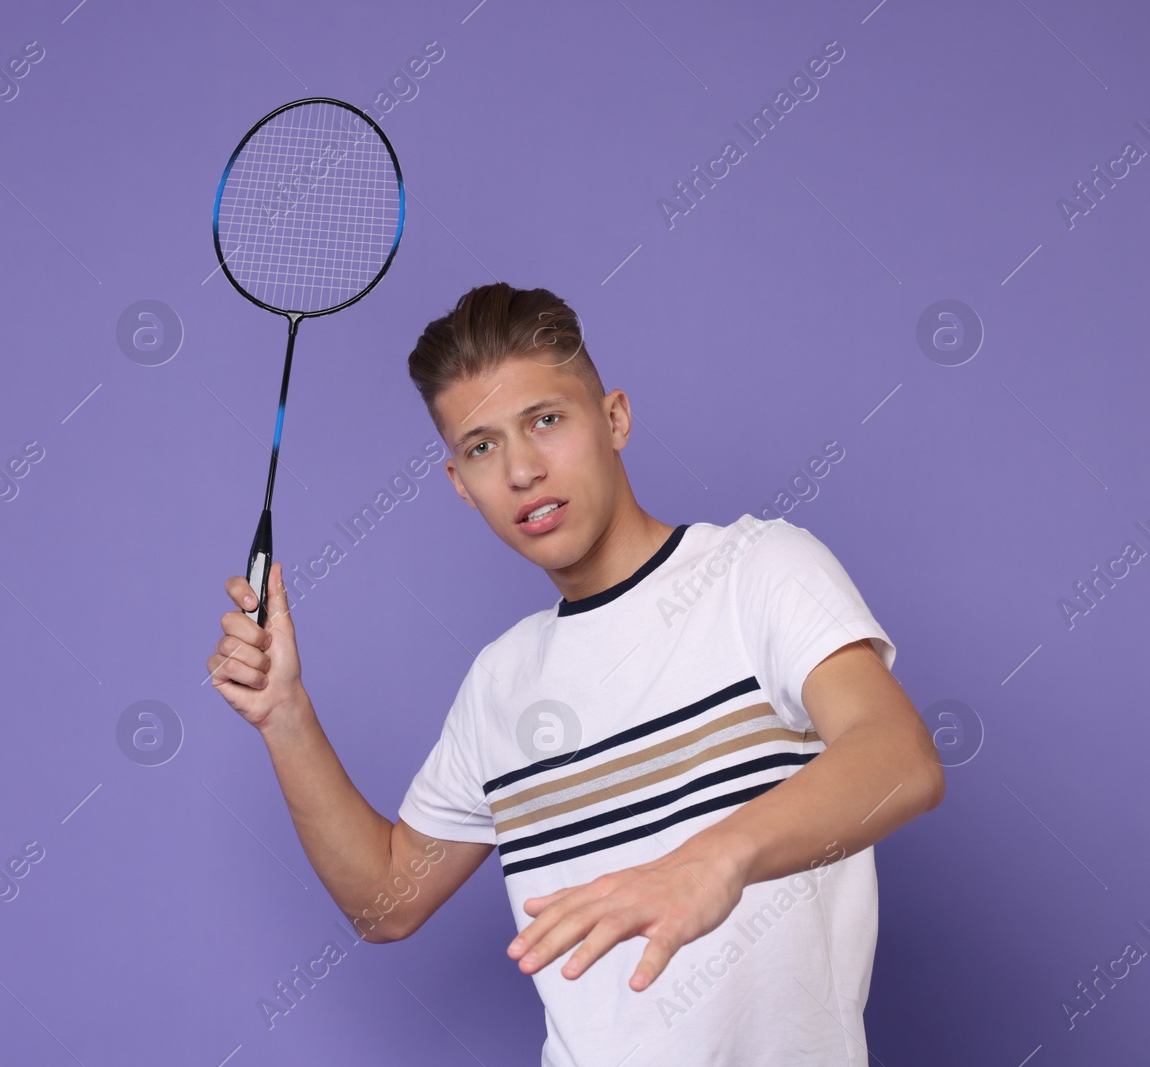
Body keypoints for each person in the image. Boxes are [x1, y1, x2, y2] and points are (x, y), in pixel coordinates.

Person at [206, 281, 945, 1065]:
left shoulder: (756, 569)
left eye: (546, 420)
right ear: (460, 483)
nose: (521, 470)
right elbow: (387, 902)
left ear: (614, 418)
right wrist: (284, 714)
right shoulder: (501, 681)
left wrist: (711, 860)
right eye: (482, 447)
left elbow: (900, 759)